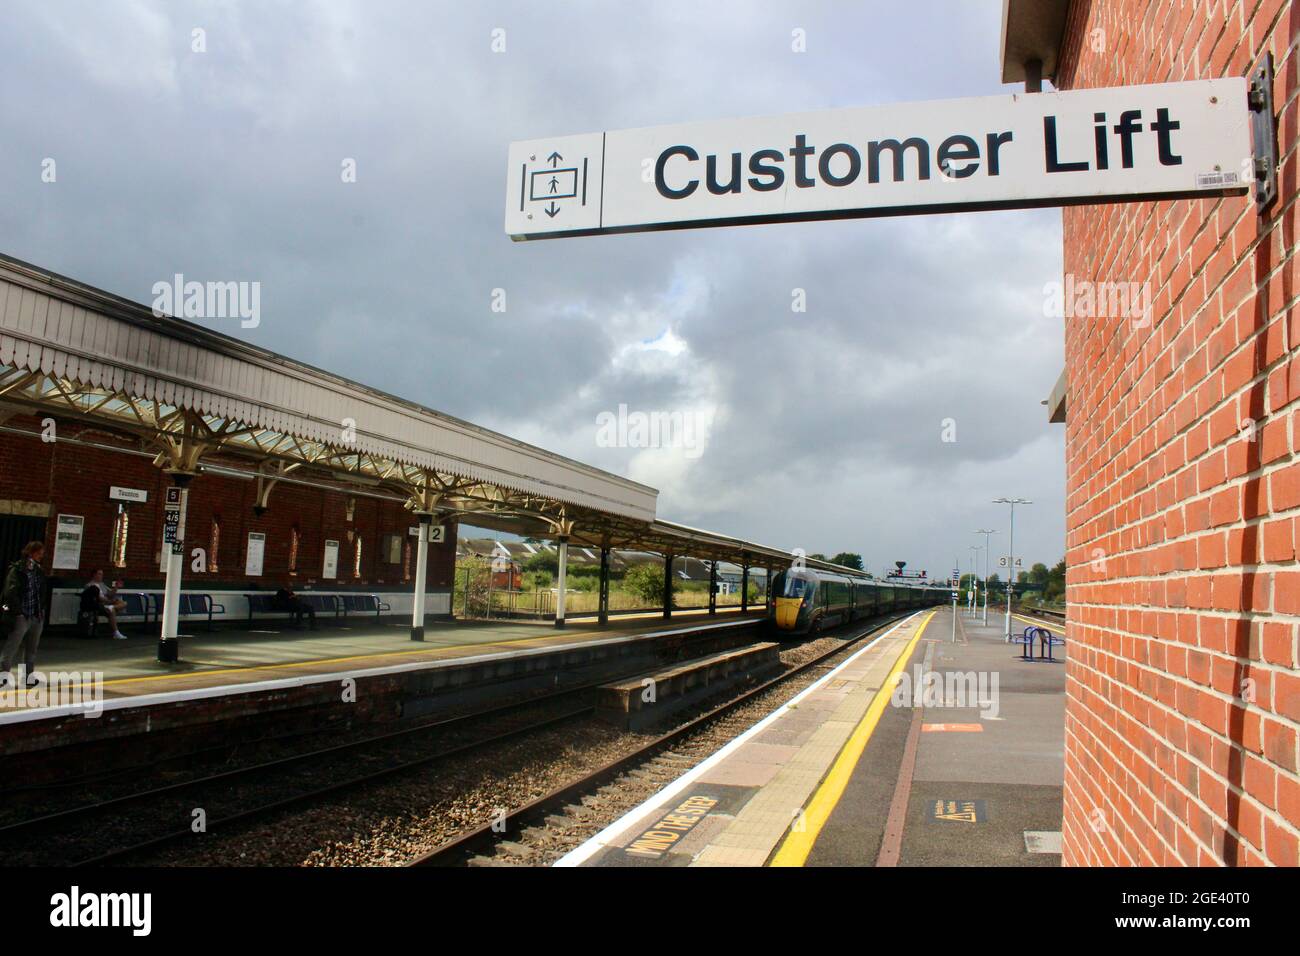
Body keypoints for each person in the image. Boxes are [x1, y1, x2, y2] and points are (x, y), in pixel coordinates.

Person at [1, 541, 48, 688]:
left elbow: (41, 591)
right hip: (22, 614)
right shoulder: (17, 570)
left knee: (31, 648)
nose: (41, 556)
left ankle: (27, 676)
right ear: (31, 552)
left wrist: (41, 609)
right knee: (12, 645)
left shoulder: (39, 571)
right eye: (39, 553)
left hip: (36, 614)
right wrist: (18, 612)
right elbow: (10, 592)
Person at [80, 569, 127, 640]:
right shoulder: (89, 585)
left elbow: (110, 594)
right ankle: (116, 632)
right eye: (99, 574)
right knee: (112, 611)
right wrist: (110, 601)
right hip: (98, 605)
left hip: (107, 603)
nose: (101, 576)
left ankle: (112, 607)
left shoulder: (102, 584)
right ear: (94, 575)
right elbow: (99, 598)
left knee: (123, 603)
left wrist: (116, 587)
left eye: (102, 574)